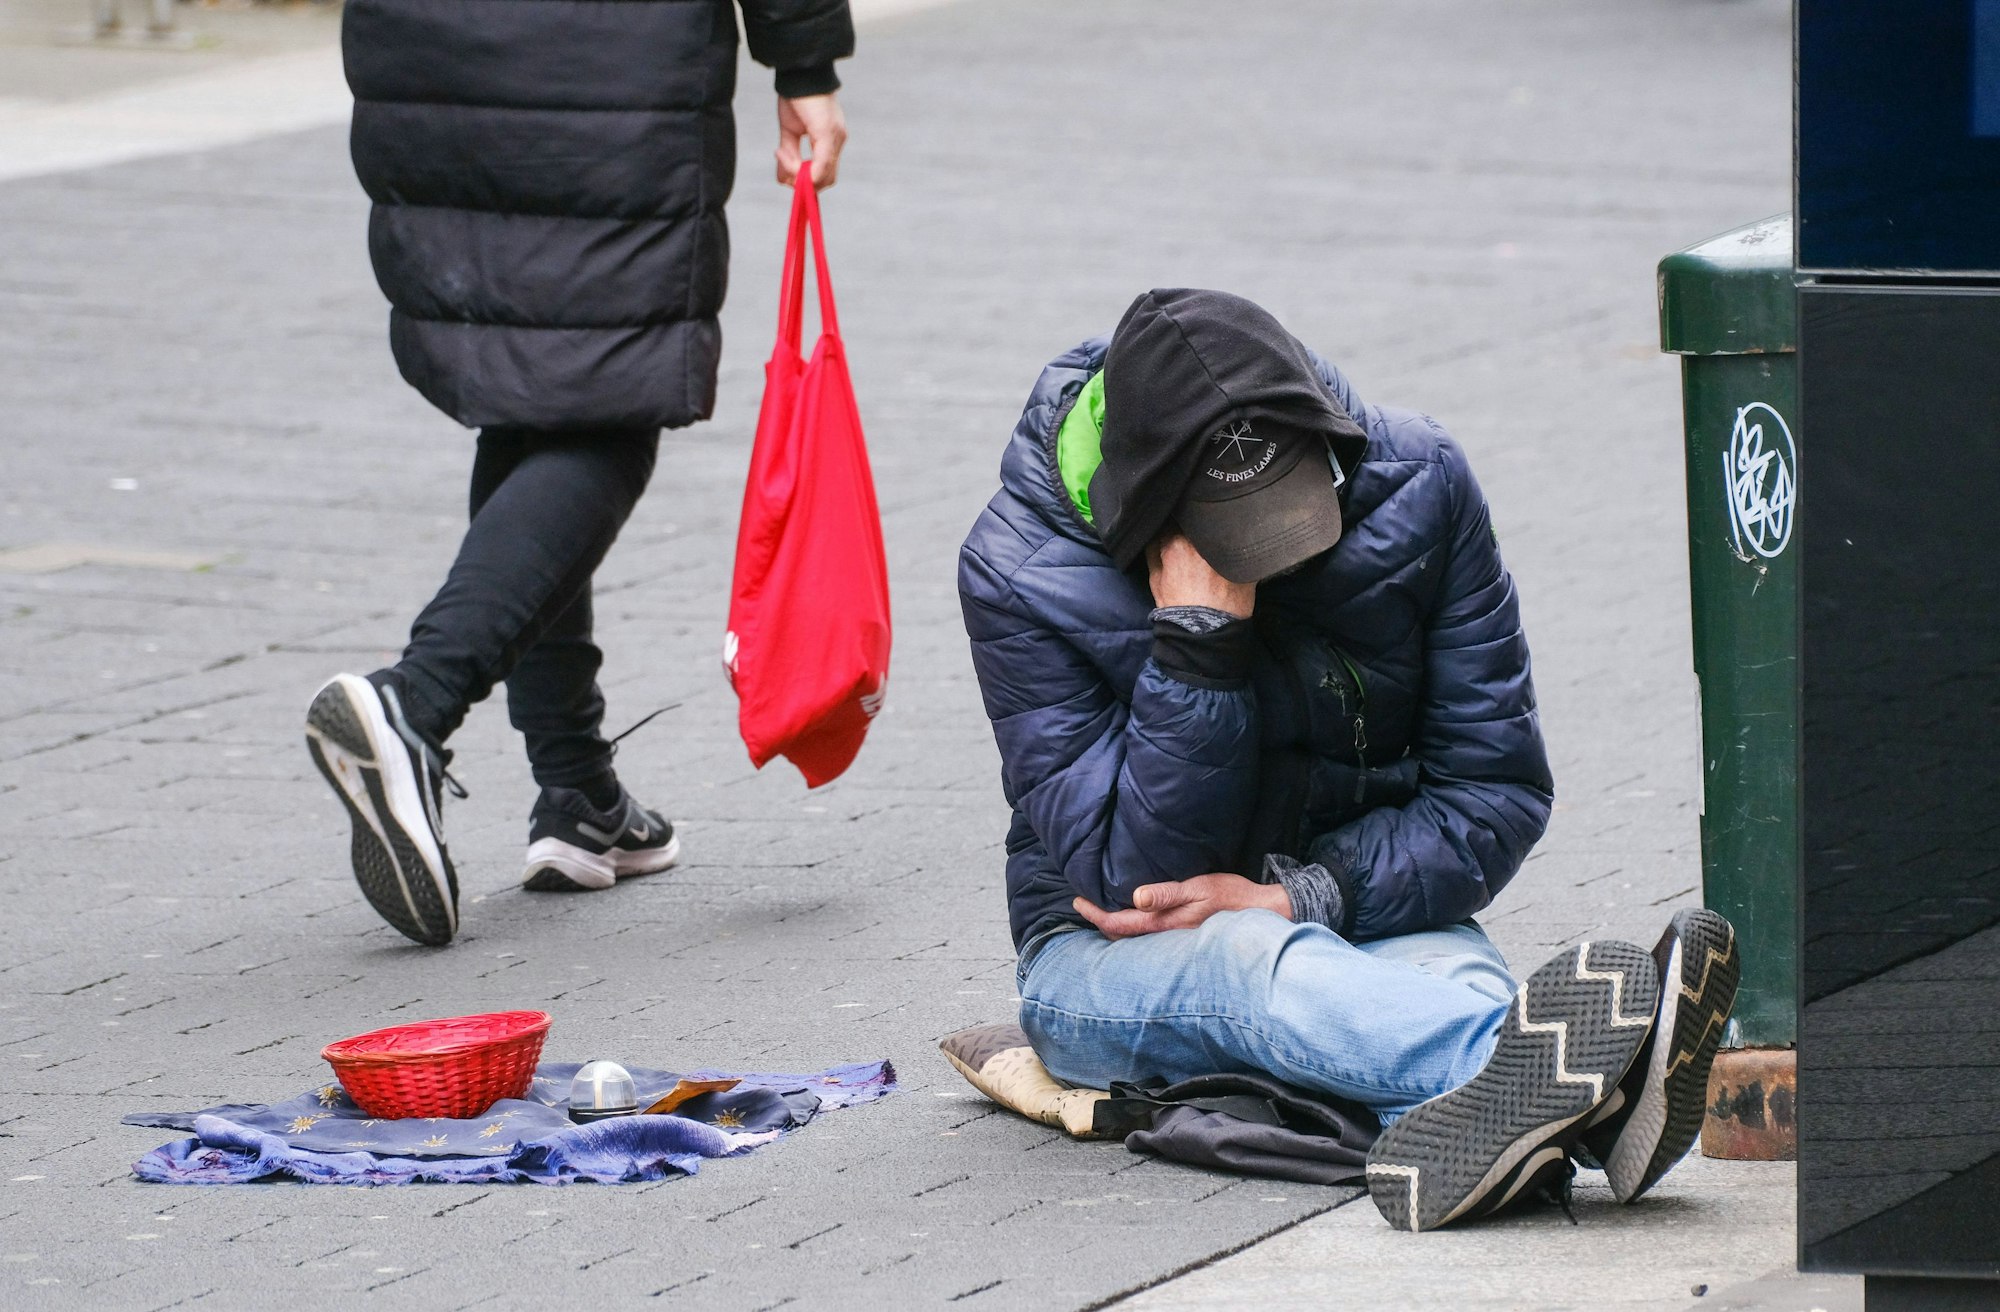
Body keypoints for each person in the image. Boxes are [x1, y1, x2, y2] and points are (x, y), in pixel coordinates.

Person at [957, 288, 1741, 1231]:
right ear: (1149, 520)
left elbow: (1492, 792)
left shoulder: (1416, 482)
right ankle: (1584, 1096)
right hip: (1104, 960)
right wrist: (1198, 646)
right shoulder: (1017, 571)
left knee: (1442, 993)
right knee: (1251, 958)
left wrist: (1303, 896)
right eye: (1243, 540)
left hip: (1358, 912)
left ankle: (1529, 1115)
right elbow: (1139, 889)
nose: (1281, 559)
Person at [305, 0, 854, 946]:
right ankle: (417, 701)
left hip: (428, 53)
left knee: (542, 386)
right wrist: (804, 60)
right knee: (610, 402)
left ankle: (578, 791)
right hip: (611, 62)